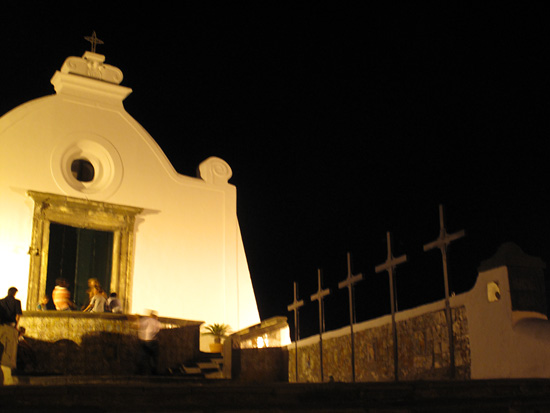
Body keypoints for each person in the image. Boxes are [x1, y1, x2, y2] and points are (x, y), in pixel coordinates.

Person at [135, 309, 161, 375]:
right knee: (153, 357)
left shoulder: (146, 320)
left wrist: (137, 318)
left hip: (145, 341)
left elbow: (138, 326)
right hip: (153, 342)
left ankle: (140, 371)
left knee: (142, 357)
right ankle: (153, 372)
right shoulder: (157, 322)